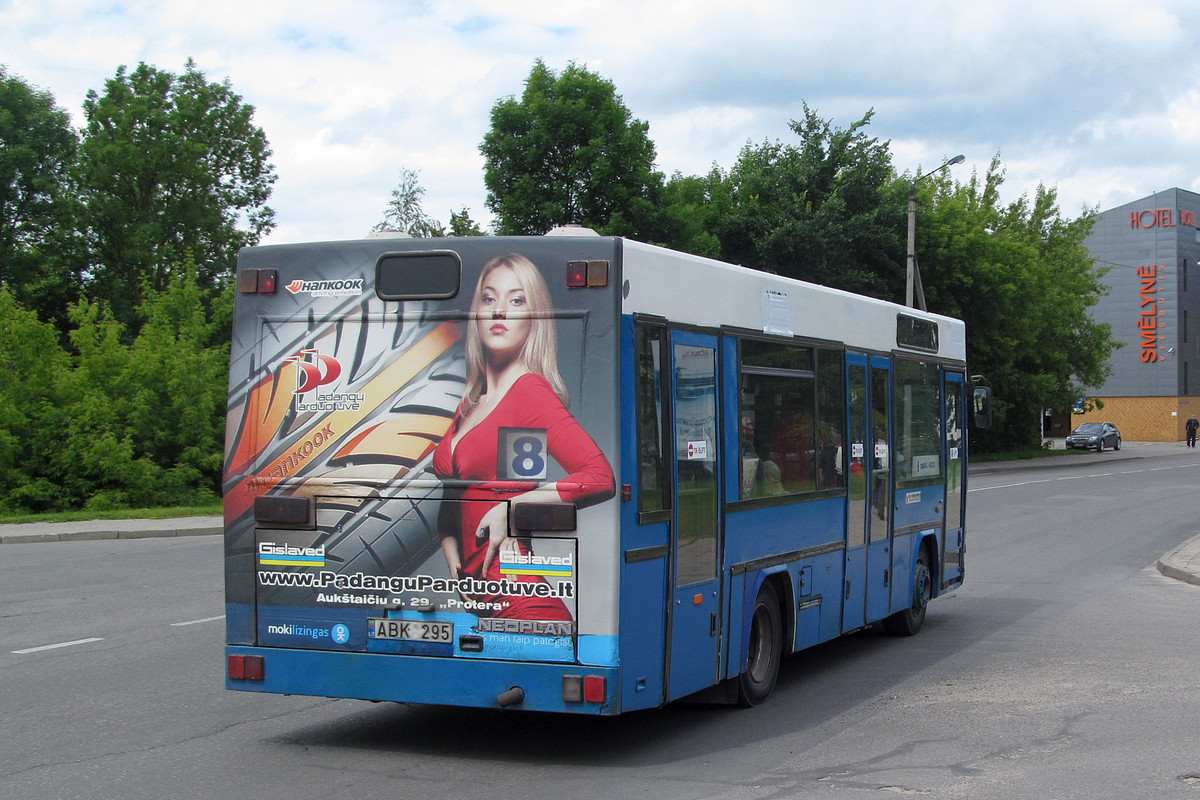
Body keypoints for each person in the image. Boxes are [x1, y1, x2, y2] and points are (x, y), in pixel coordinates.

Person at [433, 254, 615, 621]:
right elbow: (455, 495)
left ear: (535, 318)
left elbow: (599, 477)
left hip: (519, 598)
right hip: (480, 598)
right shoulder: (470, 402)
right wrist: (455, 561)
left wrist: (511, 510)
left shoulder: (528, 391)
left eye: (516, 300)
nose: (499, 310)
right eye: (489, 298)